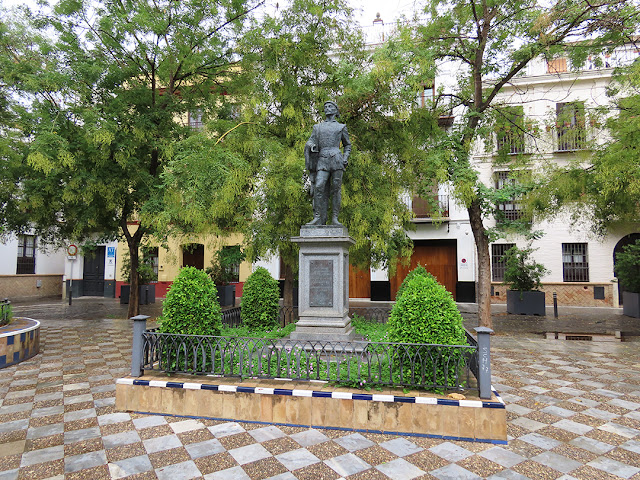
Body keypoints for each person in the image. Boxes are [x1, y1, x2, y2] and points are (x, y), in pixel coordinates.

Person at [305, 101, 351, 226]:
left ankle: (335, 218)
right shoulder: (317, 127)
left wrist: (345, 157)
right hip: (322, 159)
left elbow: (347, 145)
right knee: (319, 186)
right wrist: (311, 145)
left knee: (336, 189)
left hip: (337, 159)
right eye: (325, 107)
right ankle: (317, 218)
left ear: (336, 110)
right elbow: (310, 141)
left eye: (330, 106)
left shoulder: (341, 127)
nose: (327, 108)